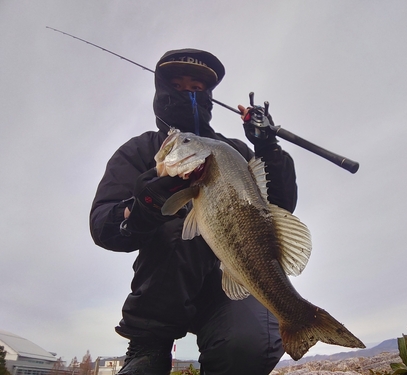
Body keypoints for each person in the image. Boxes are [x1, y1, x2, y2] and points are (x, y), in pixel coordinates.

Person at [90, 48, 298, 375]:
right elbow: (103, 225)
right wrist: (143, 206)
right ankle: (148, 349)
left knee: (249, 346)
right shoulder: (142, 150)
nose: (189, 91)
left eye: (198, 87)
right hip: (162, 293)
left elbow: (281, 208)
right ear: (163, 92)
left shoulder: (238, 153)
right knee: (180, 227)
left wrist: (268, 149)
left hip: (231, 285)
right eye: (179, 83)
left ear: (209, 96)